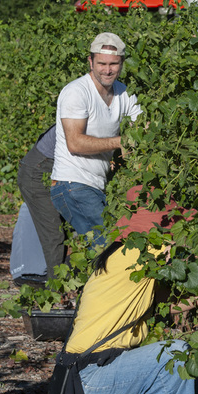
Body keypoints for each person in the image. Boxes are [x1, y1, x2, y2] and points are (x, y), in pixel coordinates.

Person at [33, 185, 197, 394]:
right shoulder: (143, 254)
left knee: (172, 365)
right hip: (92, 377)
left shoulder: (122, 255)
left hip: (85, 374)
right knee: (176, 353)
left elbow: (172, 306)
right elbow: (190, 258)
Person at [50, 33, 143, 247]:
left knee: (104, 248)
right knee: (110, 245)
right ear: (90, 62)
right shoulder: (77, 92)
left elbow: (143, 128)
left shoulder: (124, 93)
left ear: (122, 64)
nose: (107, 70)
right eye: (101, 63)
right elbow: (75, 143)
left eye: (113, 64)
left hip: (94, 185)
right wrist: (120, 142)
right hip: (72, 183)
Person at [17, 125, 66, 282]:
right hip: (38, 172)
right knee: (54, 232)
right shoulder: (78, 113)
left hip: (52, 170)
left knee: (68, 227)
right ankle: (56, 287)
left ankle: (66, 279)